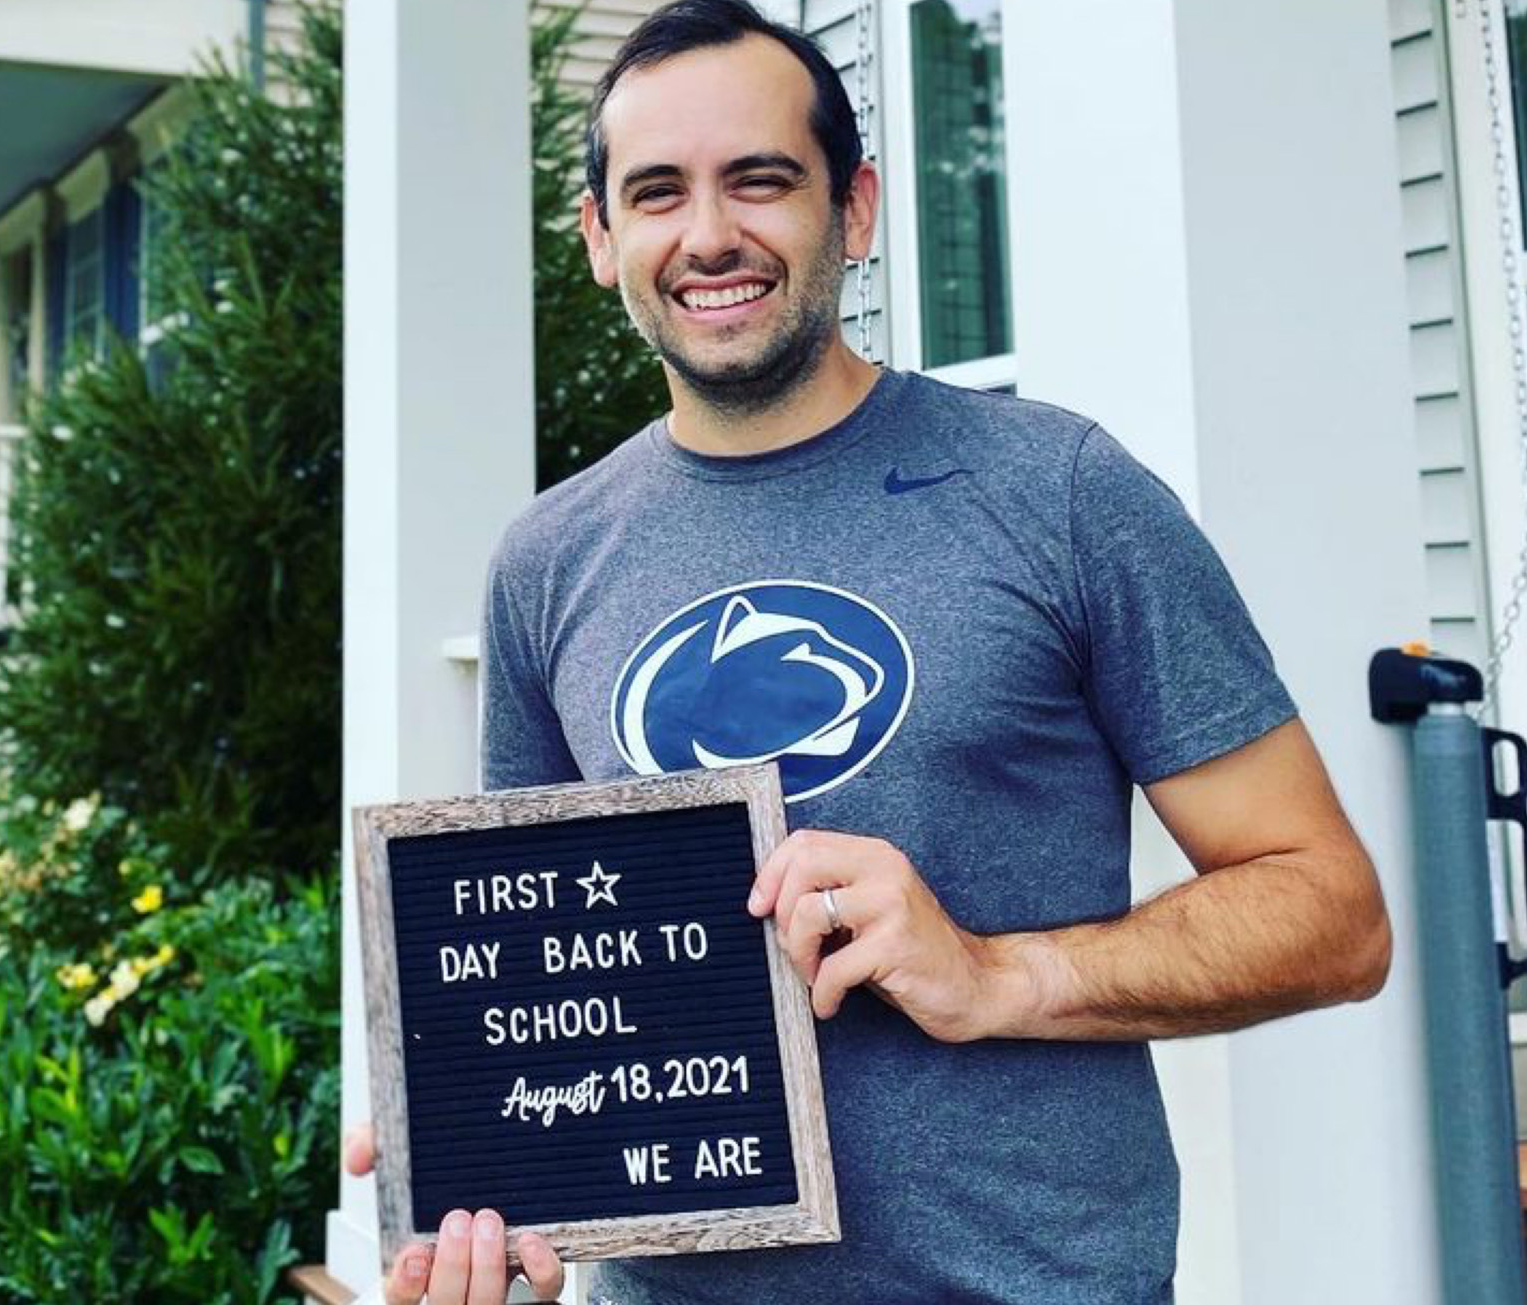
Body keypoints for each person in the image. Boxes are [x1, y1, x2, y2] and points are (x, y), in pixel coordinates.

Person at [343, 2, 1393, 1302]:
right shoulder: (546, 566)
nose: (710, 234)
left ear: (856, 209)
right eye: (658, 193)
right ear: (601, 239)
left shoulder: (1059, 492)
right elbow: (555, 984)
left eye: (761, 180)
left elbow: (1333, 910)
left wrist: (1000, 972)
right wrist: (492, 1189)